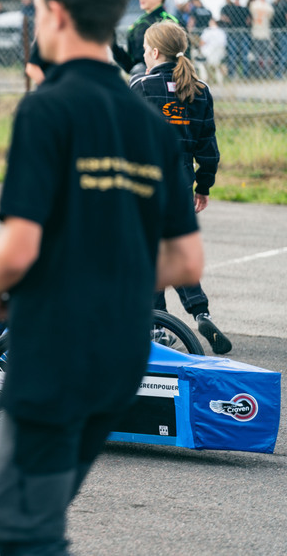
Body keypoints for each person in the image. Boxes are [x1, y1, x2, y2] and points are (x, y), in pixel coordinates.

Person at [0, 0, 203, 554]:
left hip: (56, 349)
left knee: (19, 519)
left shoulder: (47, 110)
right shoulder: (149, 125)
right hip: (122, 352)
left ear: (52, 12)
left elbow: (18, 249)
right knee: (32, 511)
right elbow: (185, 263)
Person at [131, 21, 232, 354]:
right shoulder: (200, 90)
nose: (144, 54)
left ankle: (156, 328)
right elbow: (208, 148)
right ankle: (199, 312)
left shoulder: (141, 86)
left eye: (146, 49)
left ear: (155, 52)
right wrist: (202, 186)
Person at [111, 0, 179, 75]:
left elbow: (181, 59)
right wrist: (112, 43)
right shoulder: (138, 24)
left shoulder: (170, 22)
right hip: (140, 79)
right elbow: (131, 65)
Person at [249, 0, 274, 78]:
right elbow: (271, 17)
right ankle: (265, 73)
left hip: (256, 32)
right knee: (265, 54)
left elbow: (251, 14)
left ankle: (257, 73)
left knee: (257, 54)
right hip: (265, 32)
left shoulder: (254, 5)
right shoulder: (268, 6)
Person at [199, 18, 227, 84]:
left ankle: (204, 80)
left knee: (200, 63)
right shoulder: (221, 32)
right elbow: (223, 45)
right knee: (217, 65)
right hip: (218, 56)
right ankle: (219, 81)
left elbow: (202, 43)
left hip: (207, 56)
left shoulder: (207, 31)